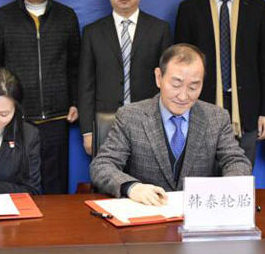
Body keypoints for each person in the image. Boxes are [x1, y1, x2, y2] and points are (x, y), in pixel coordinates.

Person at [90, 44, 251, 205]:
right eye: (176, 85)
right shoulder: (130, 117)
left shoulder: (216, 118)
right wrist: (132, 187)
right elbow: (102, 165)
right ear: (158, 77)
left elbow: (237, 161)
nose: (183, 96)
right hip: (147, 212)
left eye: (193, 87)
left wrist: (227, 189)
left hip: (197, 212)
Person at [0, 0, 80, 194]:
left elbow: (75, 65)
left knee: (55, 187)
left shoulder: (66, 16)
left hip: (57, 118)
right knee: (17, 184)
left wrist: (75, 101)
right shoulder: (2, 17)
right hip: (16, 118)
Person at [174, 0, 265, 165]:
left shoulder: (258, 9)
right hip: (201, 106)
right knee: (201, 175)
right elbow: (181, 65)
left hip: (247, 110)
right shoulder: (190, 9)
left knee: (240, 176)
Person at [78, 0, 171, 155]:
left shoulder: (159, 29)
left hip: (149, 120)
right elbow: (86, 84)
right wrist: (88, 131)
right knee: (107, 172)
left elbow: (167, 80)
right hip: (105, 122)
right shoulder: (92, 32)